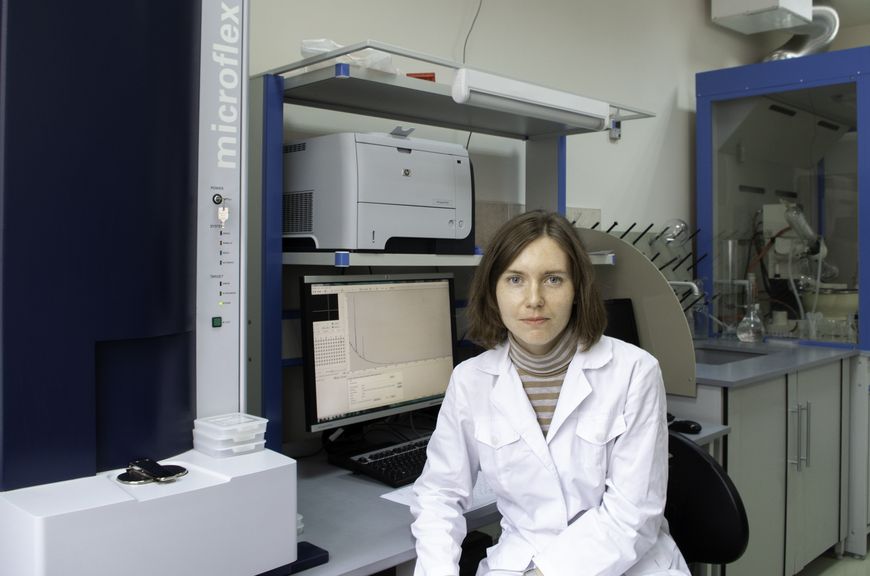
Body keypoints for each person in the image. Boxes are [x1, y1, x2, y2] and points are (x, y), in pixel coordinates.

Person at [410, 211, 690, 576]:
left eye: (553, 279)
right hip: (519, 560)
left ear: (577, 290)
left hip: (625, 564)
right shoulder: (471, 380)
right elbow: (439, 495)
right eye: (515, 279)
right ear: (493, 291)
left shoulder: (634, 372)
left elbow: (632, 516)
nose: (534, 299)